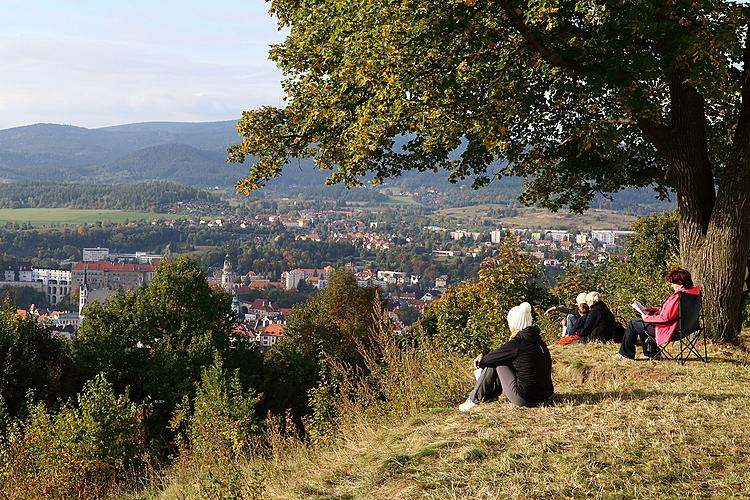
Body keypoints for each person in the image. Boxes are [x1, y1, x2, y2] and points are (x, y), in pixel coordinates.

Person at [458, 302, 554, 411]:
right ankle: (487, 396)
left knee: (497, 361)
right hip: (544, 395)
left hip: (526, 398)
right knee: (501, 358)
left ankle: (474, 399)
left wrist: (481, 360)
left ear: (514, 324)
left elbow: (488, 360)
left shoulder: (518, 343)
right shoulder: (537, 341)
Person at [616, 268, 701, 360]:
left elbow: (665, 317)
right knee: (642, 324)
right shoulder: (692, 294)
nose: (672, 286)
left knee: (634, 322)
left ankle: (626, 354)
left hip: (671, 330)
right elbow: (673, 311)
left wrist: (647, 318)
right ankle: (652, 353)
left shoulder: (678, 297)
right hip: (687, 328)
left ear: (680, 284)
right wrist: (653, 309)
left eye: (673, 283)